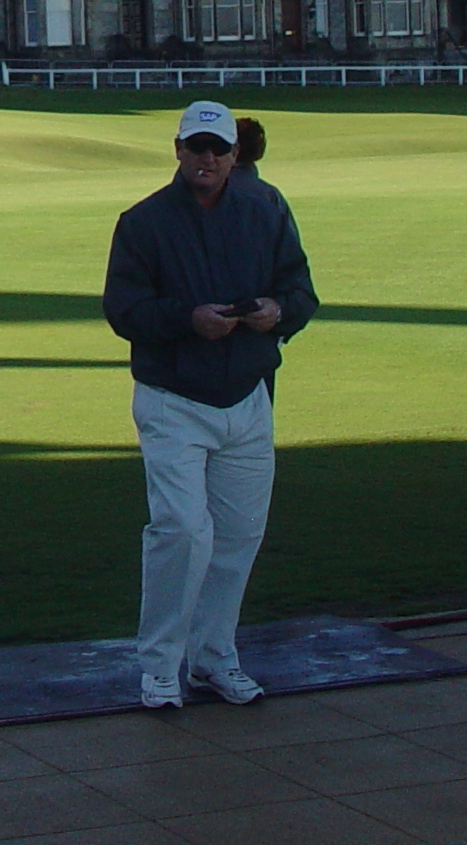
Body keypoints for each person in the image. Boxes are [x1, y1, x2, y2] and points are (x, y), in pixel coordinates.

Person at [103, 98, 317, 710]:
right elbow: (123, 310)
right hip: (173, 398)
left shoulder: (266, 207)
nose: (208, 158)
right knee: (181, 532)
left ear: (234, 154)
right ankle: (160, 665)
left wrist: (280, 313)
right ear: (178, 149)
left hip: (247, 395)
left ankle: (214, 657)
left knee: (238, 535)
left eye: (219, 149)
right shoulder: (142, 222)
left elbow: (298, 286)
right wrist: (187, 319)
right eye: (197, 147)